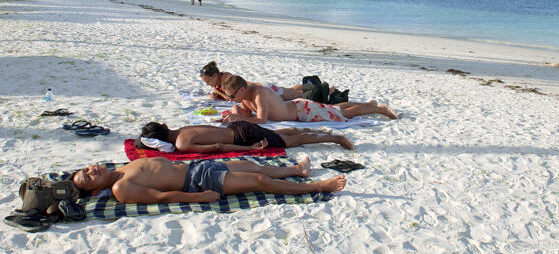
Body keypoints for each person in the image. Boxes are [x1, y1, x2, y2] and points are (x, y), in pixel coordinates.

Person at [72, 156, 346, 204]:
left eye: (87, 168)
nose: (91, 169)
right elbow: (160, 197)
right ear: (95, 190)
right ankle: (318, 187)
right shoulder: (120, 187)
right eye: (88, 177)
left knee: (250, 165)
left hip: (195, 167)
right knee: (260, 179)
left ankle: (297, 169)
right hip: (197, 182)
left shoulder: (120, 169)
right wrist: (198, 197)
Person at [221, 74, 397, 124]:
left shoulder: (259, 94)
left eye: (231, 95)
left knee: (343, 114)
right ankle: (369, 105)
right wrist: (236, 112)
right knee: (336, 108)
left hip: (303, 111)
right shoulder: (243, 96)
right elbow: (246, 113)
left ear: (242, 89)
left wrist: (240, 116)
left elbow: (262, 119)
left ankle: (379, 109)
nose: (229, 98)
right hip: (298, 108)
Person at [140, 121, 354, 151]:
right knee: (275, 134)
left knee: (289, 143)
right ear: (165, 125)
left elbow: (218, 147)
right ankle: (318, 131)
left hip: (240, 138)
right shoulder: (183, 129)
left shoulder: (181, 144)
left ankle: (335, 138)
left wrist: (250, 149)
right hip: (237, 127)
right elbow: (207, 127)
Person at [200, 61, 307, 101]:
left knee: (297, 95)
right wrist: (216, 93)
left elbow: (230, 98)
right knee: (290, 91)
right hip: (261, 88)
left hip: (264, 89)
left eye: (208, 81)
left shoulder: (226, 78)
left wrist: (217, 92)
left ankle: (314, 89)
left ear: (215, 76)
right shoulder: (218, 82)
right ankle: (308, 85)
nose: (207, 84)